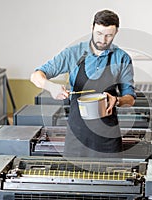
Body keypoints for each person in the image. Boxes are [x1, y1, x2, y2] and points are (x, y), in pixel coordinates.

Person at [30, 9, 136, 158]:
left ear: (116, 32)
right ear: (92, 28)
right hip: (77, 136)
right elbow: (36, 76)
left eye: (109, 35)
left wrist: (117, 100)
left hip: (108, 139)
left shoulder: (122, 58)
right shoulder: (73, 53)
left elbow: (130, 99)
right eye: (99, 33)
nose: (103, 40)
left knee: (110, 180)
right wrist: (51, 87)